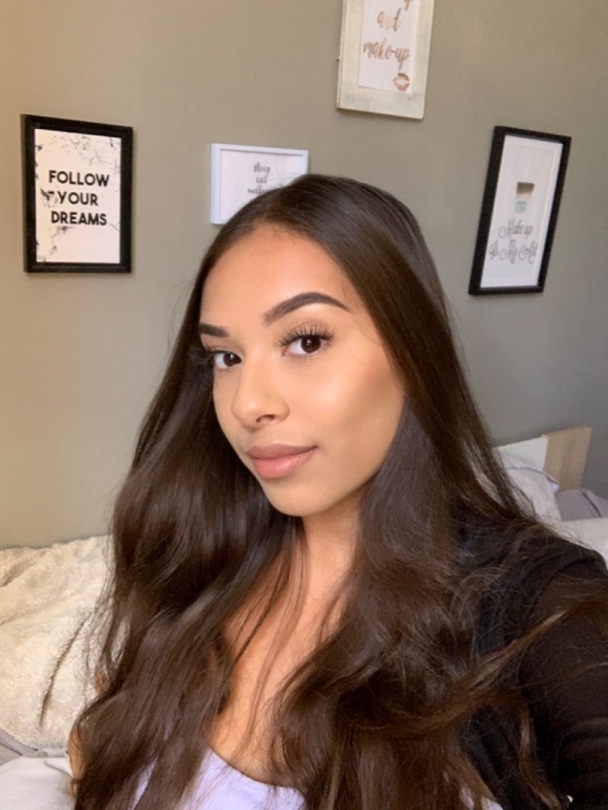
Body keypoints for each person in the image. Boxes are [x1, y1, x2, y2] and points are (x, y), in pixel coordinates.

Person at [62, 176, 608, 809]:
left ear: (413, 352)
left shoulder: (536, 607)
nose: (247, 404)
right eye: (226, 357)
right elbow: (102, 746)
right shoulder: (198, 552)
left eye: (306, 341)